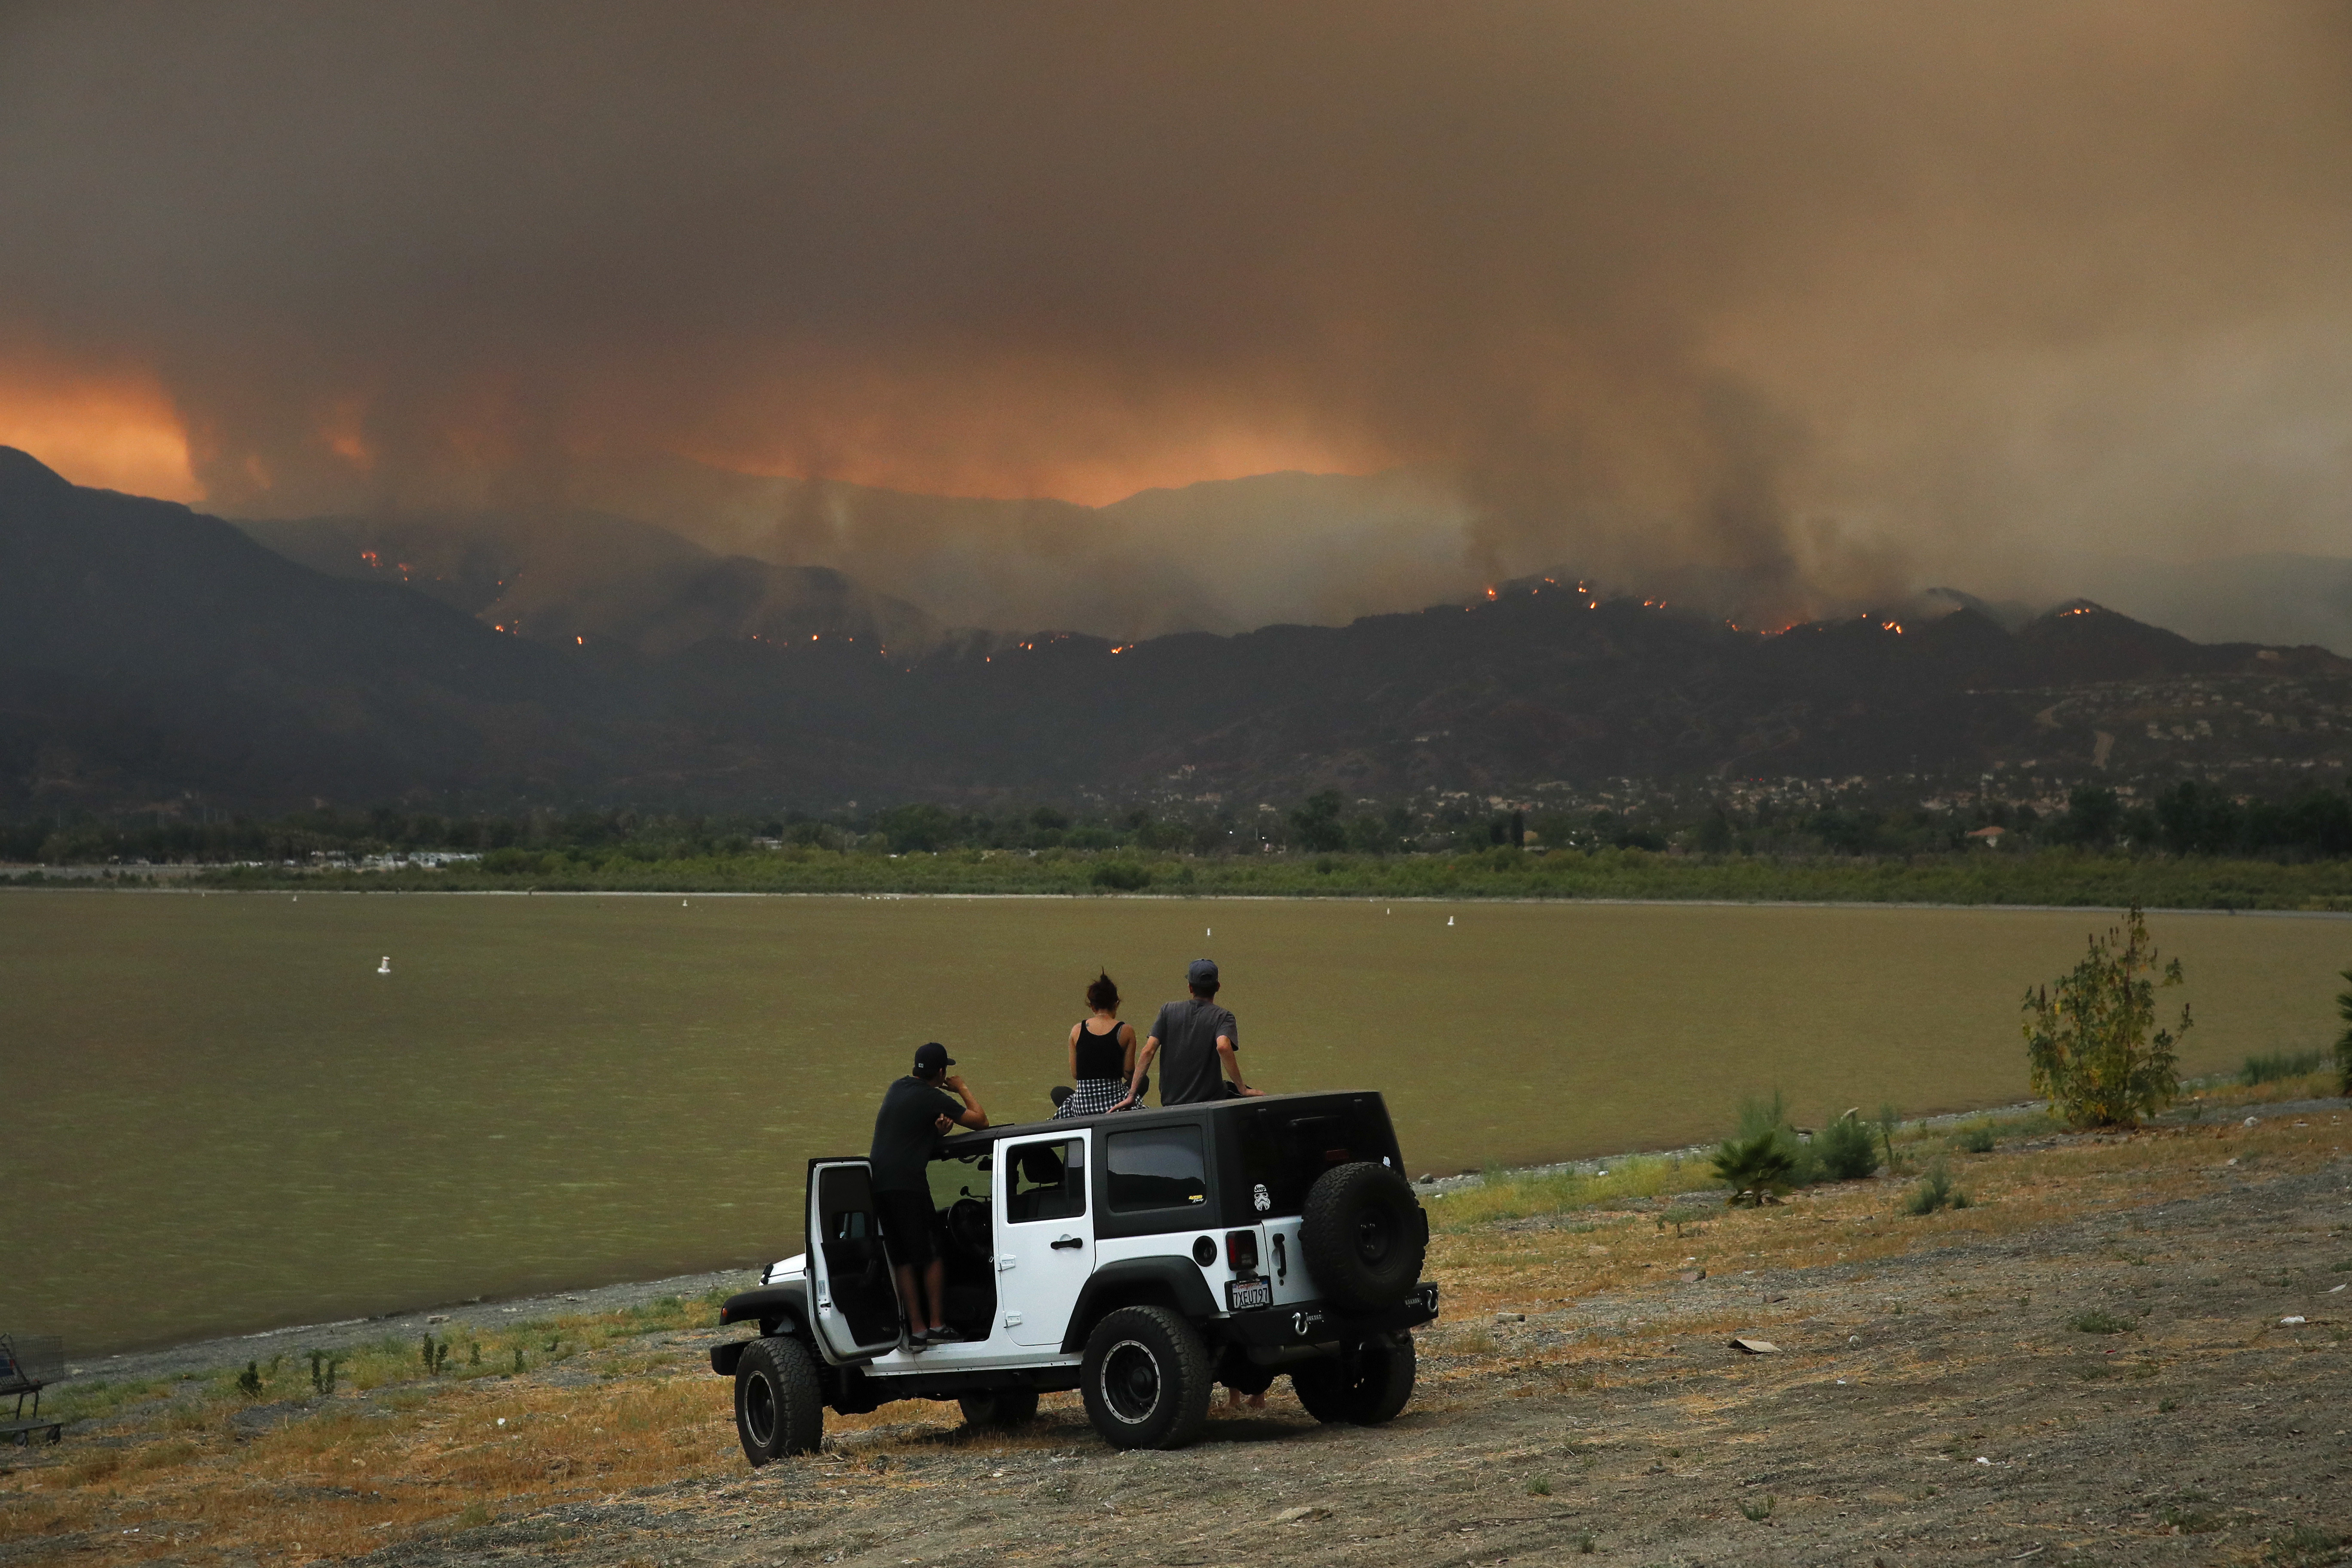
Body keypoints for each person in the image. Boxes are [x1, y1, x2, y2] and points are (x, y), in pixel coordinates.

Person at [869, 1041, 987, 1347]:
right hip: (908, 1184)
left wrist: (936, 1133)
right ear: (941, 1072)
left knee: (903, 1259)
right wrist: (961, 1088)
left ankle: (917, 1329)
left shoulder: (898, 1088)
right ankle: (937, 1324)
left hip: (880, 1183)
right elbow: (980, 1121)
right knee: (933, 1254)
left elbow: (906, 1134)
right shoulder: (931, 1096)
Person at [1116, 958, 1264, 1109]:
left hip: (1171, 1101)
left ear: (1190, 988)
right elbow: (1223, 1047)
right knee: (1256, 1101)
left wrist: (1132, 1095)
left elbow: (1148, 1050)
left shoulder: (1168, 1011)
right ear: (1218, 987)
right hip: (1211, 1100)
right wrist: (1243, 1090)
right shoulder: (1223, 1016)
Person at [1056, 971, 1139, 1118]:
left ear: (1092, 1007)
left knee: (1058, 1093)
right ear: (1116, 1003)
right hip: (1115, 1105)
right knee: (1142, 1081)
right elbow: (1128, 1073)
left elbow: (1076, 1074)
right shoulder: (1126, 1031)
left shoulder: (1077, 1030)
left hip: (1082, 1107)